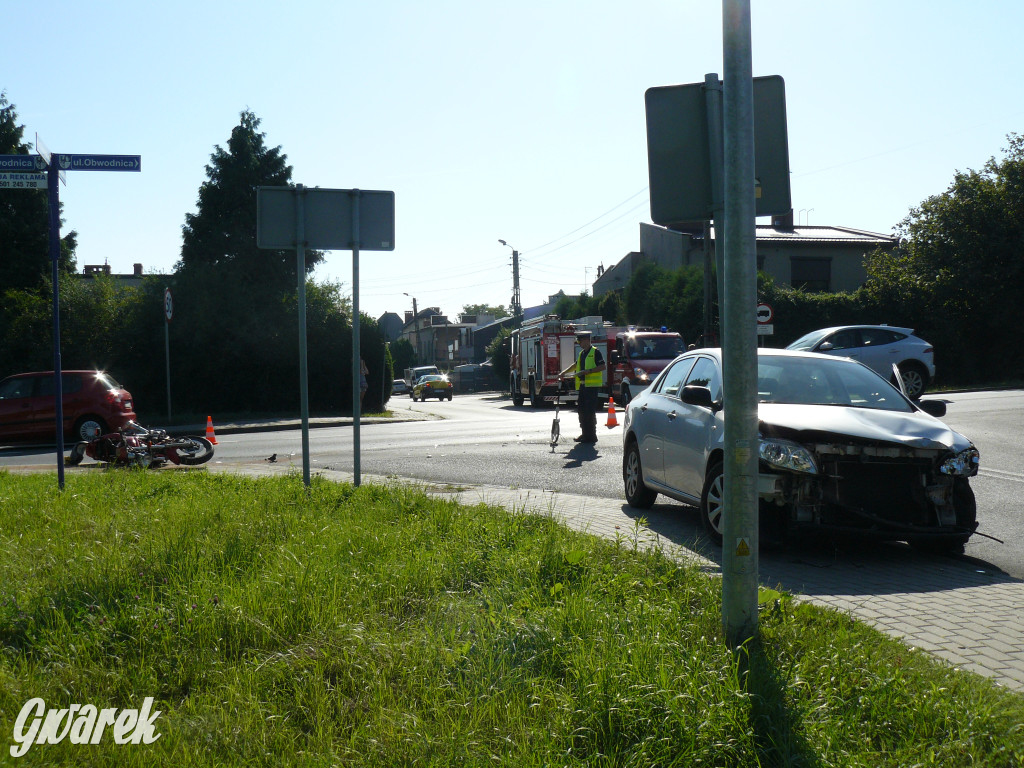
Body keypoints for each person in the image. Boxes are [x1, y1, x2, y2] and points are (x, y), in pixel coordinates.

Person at [559, 330, 606, 444]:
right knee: (581, 411)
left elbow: (602, 366)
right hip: (583, 387)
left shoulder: (595, 352)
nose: (579, 343)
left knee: (589, 412)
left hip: (592, 387)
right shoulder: (582, 353)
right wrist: (563, 373)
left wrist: (587, 371)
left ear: (586, 340)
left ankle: (591, 435)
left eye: (580, 341)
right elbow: (575, 365)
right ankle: (585, 434)